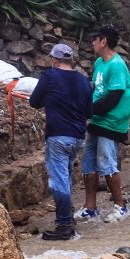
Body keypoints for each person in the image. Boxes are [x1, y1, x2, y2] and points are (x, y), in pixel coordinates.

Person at [29, 44, 93, 241]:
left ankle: (65, 225)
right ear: (71, 60)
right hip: (78, 138)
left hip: (58, 136)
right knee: (64, 177)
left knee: (59, 181)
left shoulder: (50, 76)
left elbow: (34, 101)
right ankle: (68, 218)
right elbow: (90, 112)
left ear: (54, 60)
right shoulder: (83, 80)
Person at [74, 24, 130, 224]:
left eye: (95, 39)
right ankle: (90, 208)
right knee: (88, 164)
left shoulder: (116, 64)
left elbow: (114, 96)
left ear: (104, 41)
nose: (92, 42)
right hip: (98, 120)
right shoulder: (100, 63)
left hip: (110, 122)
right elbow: (97, 89)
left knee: (106, 163)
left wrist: (88, 110)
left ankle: (121, 206)